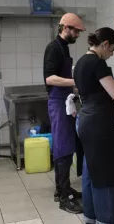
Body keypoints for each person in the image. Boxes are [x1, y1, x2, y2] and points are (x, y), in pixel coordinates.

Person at [74, 27, 114, 224]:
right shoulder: (97, 63)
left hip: (85, 119)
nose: (111, 54)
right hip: (98, 124)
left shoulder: (80, 62)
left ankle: (90, 217)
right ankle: (105, 219)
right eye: (111, 50)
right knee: (105, 175)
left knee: (90, 171)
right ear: (105, 44)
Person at [43, 13, 84, 214]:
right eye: (76, 31)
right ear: (66, 28)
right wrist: (76, 82)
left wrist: (76, 90)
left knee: (67, 148)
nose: (77, 34)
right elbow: (50, 78)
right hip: (58, 103)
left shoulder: (64, 47)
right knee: (62, 148)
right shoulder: (53, 47)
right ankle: (63, 195)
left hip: (66, 101)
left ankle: (63, 189)